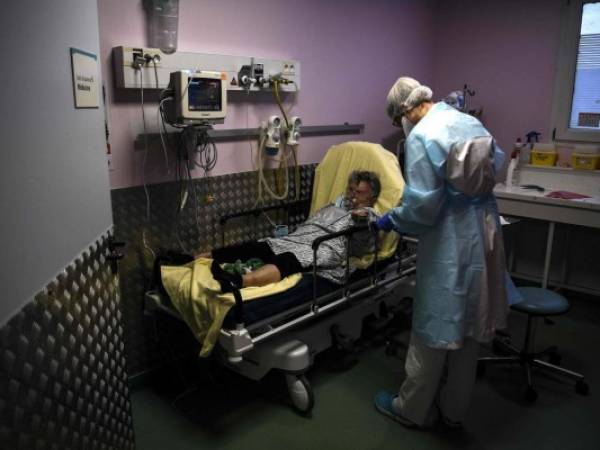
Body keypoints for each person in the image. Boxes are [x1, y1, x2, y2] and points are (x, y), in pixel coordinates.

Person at [373, 76, 519, 429]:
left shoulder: (423, 136)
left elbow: (422, 207)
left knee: (433, 324)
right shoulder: (467, 120)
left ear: (405, 110)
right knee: (471, 325)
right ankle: (454, 411)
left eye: (397, 121)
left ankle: (412, 409)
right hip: (483, 226)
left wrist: (394, 218)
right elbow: (495, 163)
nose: (401, 127)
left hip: (451, 237)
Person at [208, 170, 382, 292]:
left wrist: (361, 217)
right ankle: (202, 257)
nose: (352, 195)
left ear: (371, 197)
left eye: (359, 193)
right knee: (261, 246)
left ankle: (238, 282)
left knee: (289, 259)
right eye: (350, 189)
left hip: (326, 247)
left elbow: (365, 230)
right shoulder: (335, 205)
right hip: (299, 237)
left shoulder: (370, 215)